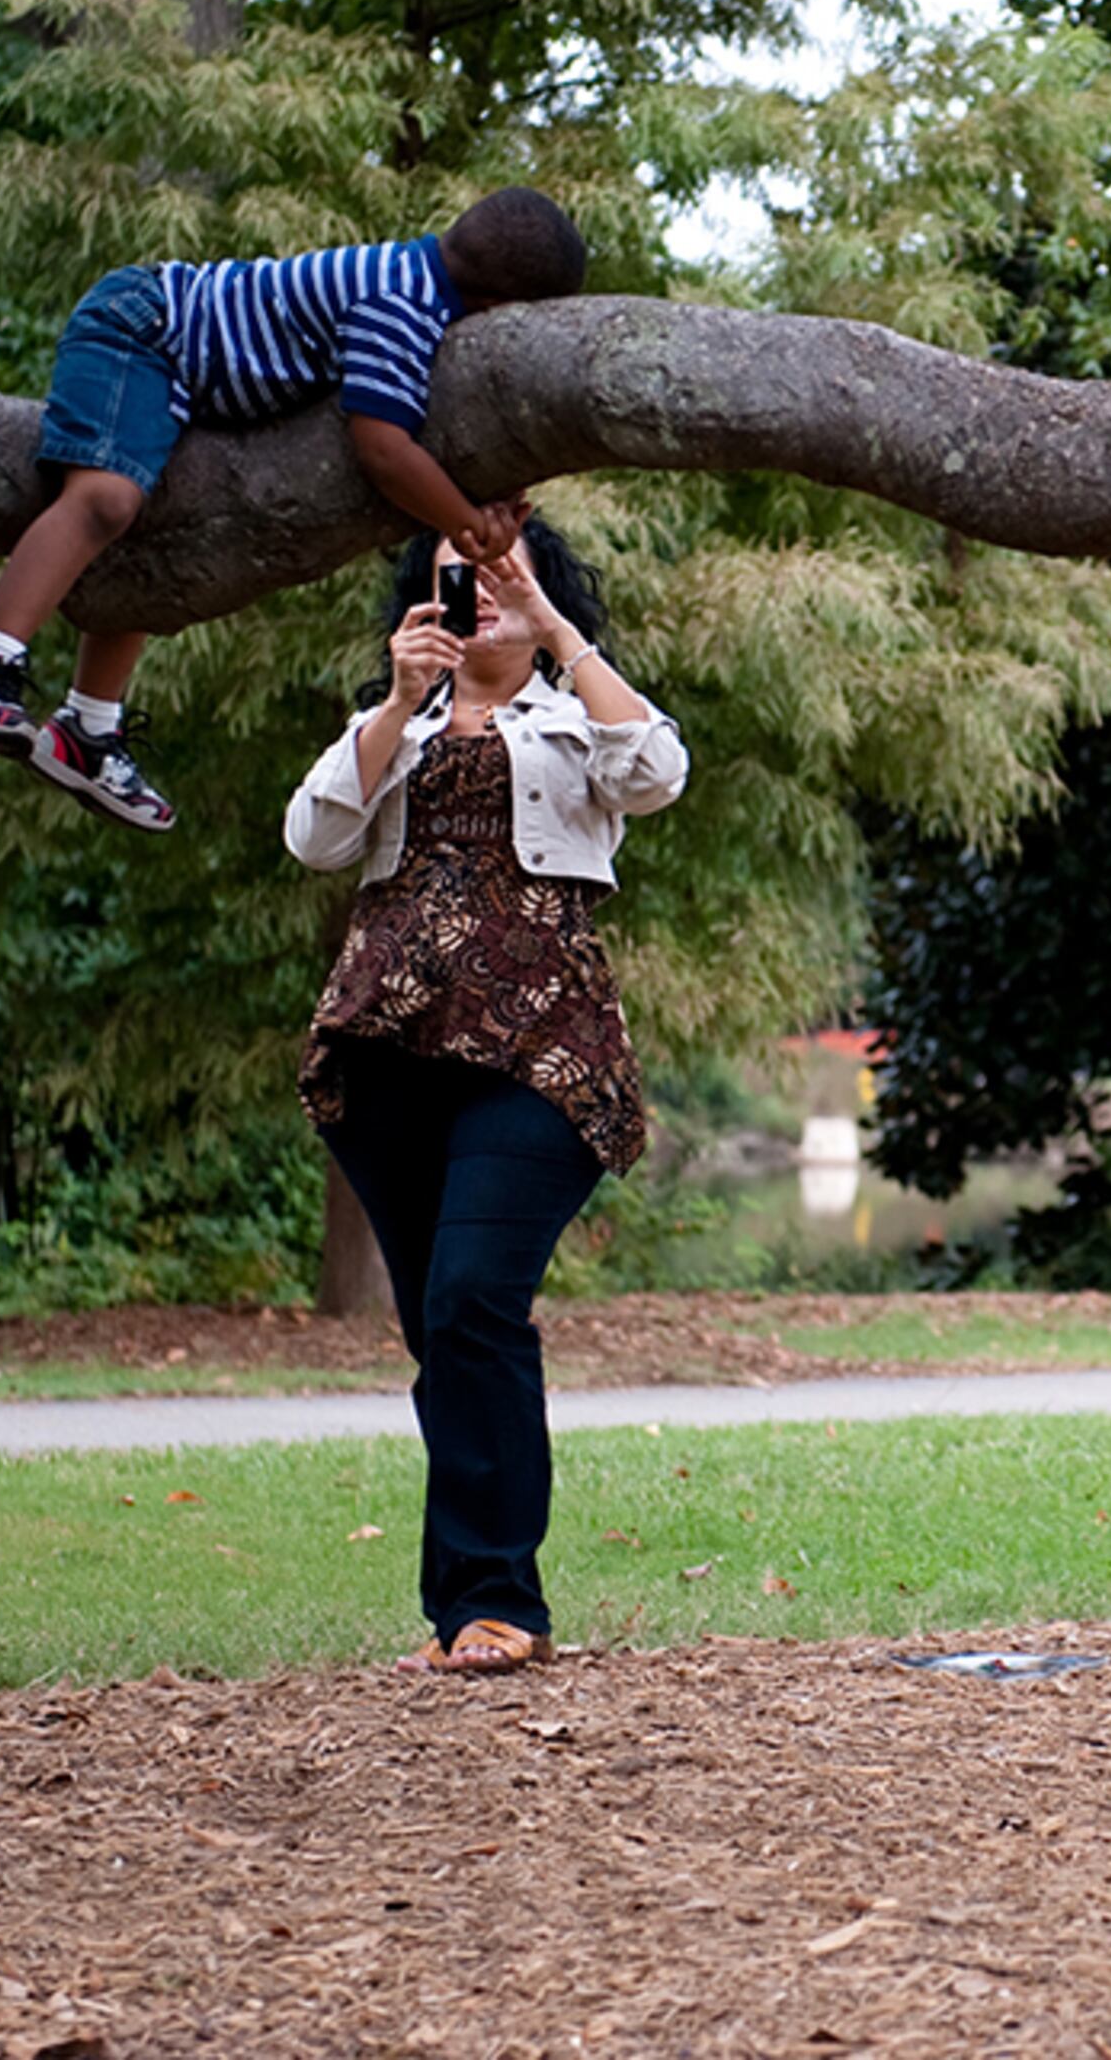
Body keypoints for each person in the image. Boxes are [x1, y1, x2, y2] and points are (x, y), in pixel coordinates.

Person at [285, 519, 687, 1672]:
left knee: (472, 1299)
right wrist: (397, 702)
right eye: (459, 580)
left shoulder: (577, 720)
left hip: (540, 1043)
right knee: (442, 1330)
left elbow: (656, 772)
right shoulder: (392, 729)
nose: (487, 592)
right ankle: (467, 1608)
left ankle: (501, 1599)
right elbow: (314, 838)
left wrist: (562, 633)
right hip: (391, 1042)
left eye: (512, 575)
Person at [0, 186, 591, 831]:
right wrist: (467, 525)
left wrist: (480, 505)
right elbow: (383, 448)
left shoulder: (419, 291)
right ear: (501, 304)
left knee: (148, 530)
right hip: (148, 329)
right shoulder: (401, 300)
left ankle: (88, 729)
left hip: (193, 385)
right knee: (106, 500)